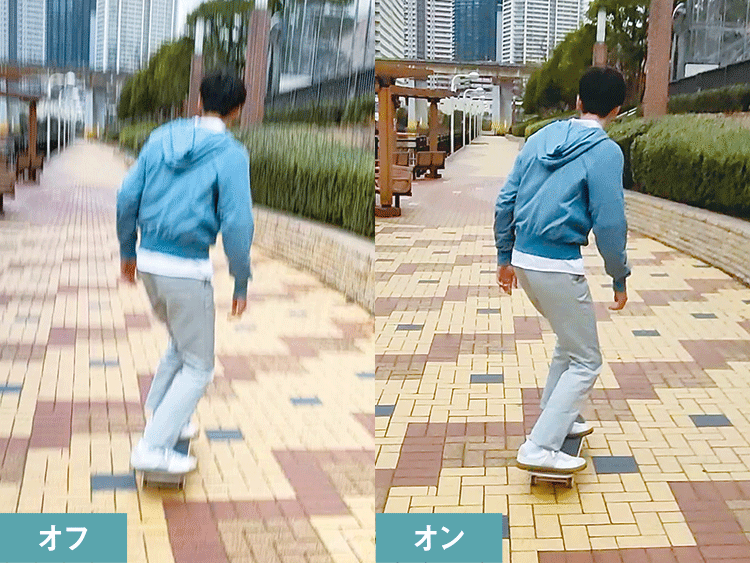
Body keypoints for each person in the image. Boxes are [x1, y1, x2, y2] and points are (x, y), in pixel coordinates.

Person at [494, 66, 630, 473]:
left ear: (578, 101)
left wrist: (504, 257)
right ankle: (540, 446)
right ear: (617, 110)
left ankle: (560, 417)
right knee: (587, 360)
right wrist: (619, 276)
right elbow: (610, 224)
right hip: (557, 267)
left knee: (569, 344)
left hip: (525, 261)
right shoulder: (606, 151)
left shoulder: (540, 137)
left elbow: (505, 200)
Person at [117, 71, 253, 474]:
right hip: (187, 270)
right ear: (238, 111)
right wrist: (241, 281)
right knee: (200, 366)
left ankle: (163, 414)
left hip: (149, 264)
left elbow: (126, 196)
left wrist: (128, 250)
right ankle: (152, 447)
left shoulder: (161, 138)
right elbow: (238, 223)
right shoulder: (231, 154)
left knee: (181, 344)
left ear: (198, 102)